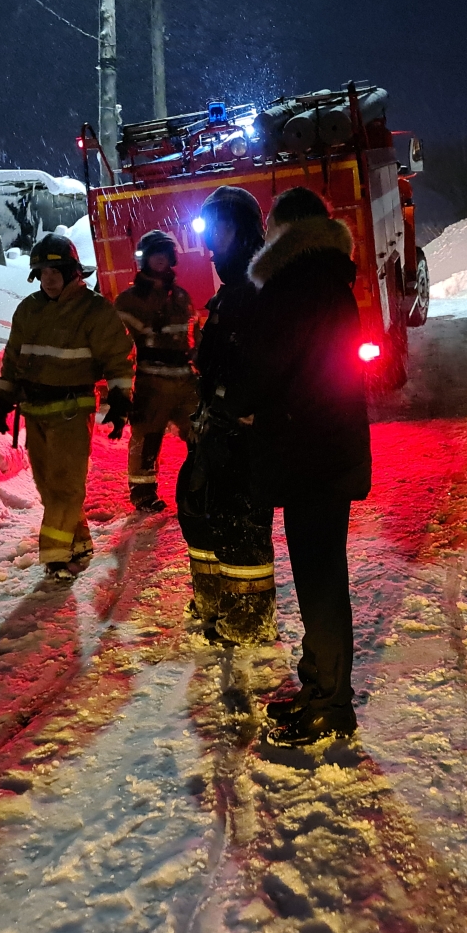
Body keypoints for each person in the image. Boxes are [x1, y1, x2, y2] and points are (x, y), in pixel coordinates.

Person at [232, 187, 372, 746]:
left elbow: (261, 372)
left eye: (269, 227)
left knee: (320, 584)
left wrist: (237, 397)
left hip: (308, 455)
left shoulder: (291, 287)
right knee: (323, 577)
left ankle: (329, 705)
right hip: (328, 450)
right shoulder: (329, 280)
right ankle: (321, 689)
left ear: (284, 229)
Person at [0, 233, 135, 580]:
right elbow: (12, 361)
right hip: (35, 411)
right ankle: (79, 541)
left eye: (55, 272)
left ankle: (54, 557)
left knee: (66, 486)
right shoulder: (29, 309)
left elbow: (118, 358)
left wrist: (120, 401)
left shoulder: (95, 310)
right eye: (41, 273)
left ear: (72, 272)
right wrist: (1, 399)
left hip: (72, 410)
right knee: (48, 487)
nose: (48, 279)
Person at [176, 186, 277, 645]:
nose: (213, 243)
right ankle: (214, 599)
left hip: (242, 434)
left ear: (245, 231)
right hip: (215, 430)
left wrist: (232, 411)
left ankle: (250, 620)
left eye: (221, 229)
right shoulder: (230, 296)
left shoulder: (261, 292)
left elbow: (260, 369)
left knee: (239, 524)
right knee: (198, 507)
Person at [113, 229, 198, 512]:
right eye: (154, 255)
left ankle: (202, 486)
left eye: (164, 254)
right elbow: (118, 348)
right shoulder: (129, 301)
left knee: (200, 434)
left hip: (185, 380)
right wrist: (122, 391)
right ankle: (143, 494)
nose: (159, 260)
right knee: (147, 438)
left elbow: (194, 338)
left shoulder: (182, 297)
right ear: (145, 259)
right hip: (151, 382)